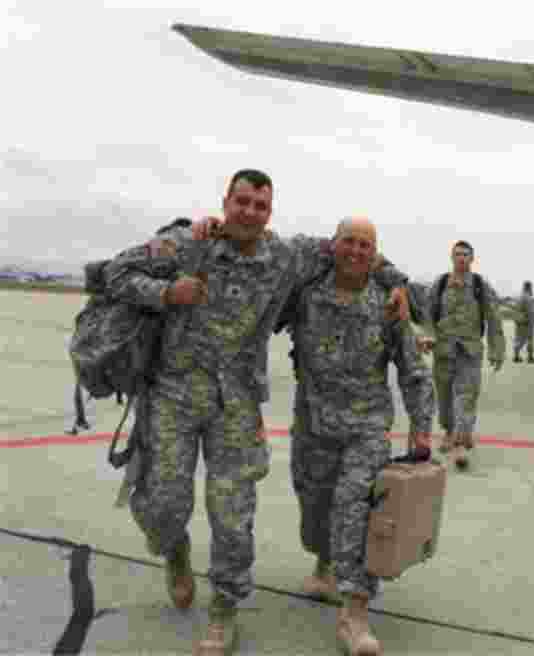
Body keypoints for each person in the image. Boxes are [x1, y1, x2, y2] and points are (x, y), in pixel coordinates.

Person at [106, 169, 411, 656]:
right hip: (173, 395)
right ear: (225, 202)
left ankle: (223, 613)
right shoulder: (186, 244)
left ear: (270, 211)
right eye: (241, 202)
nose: (249, 212)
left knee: (232, 513)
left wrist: (396, 283)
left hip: (237, 403)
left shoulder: (286, 256)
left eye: (260, 205)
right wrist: (166, 293)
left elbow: (353, 250)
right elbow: (115, 274)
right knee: (164, 505)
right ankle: (175, 549)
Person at [284, 217, 434, 656]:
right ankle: (324, 561)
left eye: (365, 245)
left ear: (376, 254)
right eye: (348, 242)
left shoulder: (388, 304)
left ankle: (355, 615)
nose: (356, 251)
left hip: (366, 428)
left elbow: (412, 370)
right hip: (313, 427)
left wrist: (421, 426)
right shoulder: (306, 296)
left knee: (356, 511)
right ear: (334, 246)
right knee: (316, 518)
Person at [422, 240, 506, 469]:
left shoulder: (480, 285)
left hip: (469, 352)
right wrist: (427, 336)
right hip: (444, 351)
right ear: (451, 257)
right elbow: (427, 315)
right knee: (445, 397)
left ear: (472, 259)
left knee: (466, 396)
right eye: (457, 254)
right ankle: (450, 431)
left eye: (466, 255)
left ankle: (460, 443)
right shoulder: (439, 284)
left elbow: (493, 318)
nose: (461, 258)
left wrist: (497, 349)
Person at [512, 281, 534, 363]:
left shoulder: (519, 296)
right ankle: (530, 357)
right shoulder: (527, 297)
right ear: (529, 287)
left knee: (519, 339)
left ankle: (516, 356)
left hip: (519, 321)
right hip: (526, 322)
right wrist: (532, 321)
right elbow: (530, 311)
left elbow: (515, 309)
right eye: (531, 287)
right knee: (528, 340)